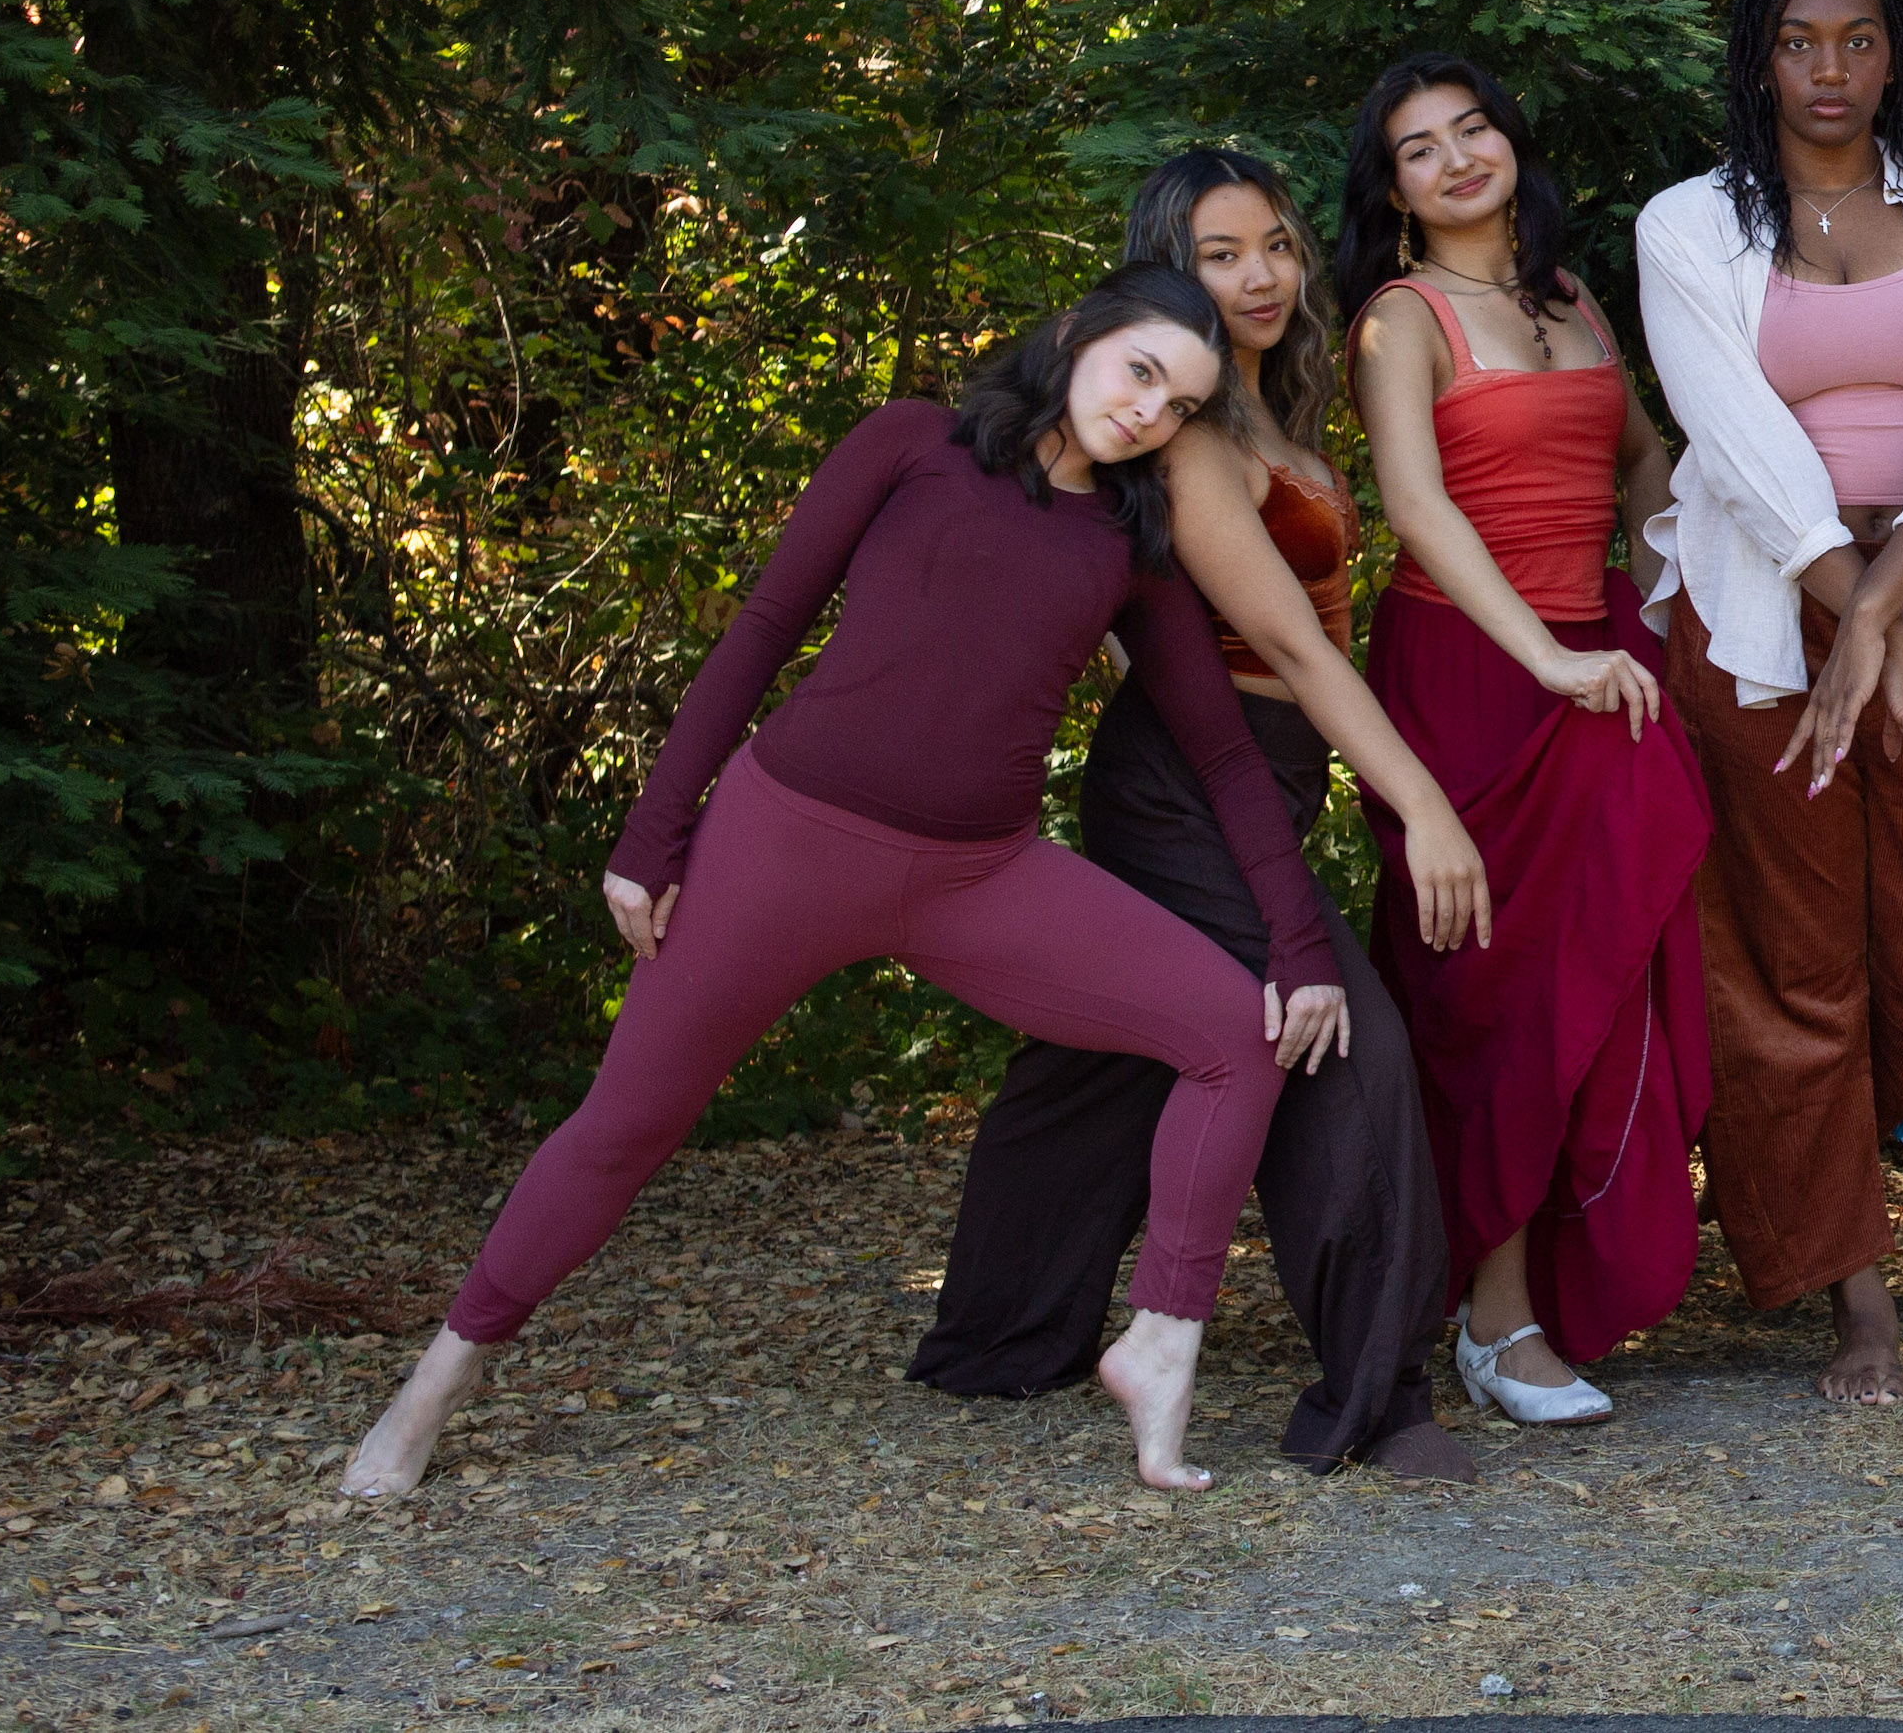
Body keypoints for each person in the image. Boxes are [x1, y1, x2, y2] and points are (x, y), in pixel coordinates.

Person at [339, 270, 1347, 1499]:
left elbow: (1226, 752)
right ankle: (437, 1381)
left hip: (979, 873)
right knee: (622, 1127)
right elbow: (765, 624)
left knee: (1234, 1034)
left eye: (1181, 403)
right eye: (1141, 370)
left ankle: (1160, 1346)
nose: (1149, 411)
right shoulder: (911, 443)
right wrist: (653, 830)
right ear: (1075, 333)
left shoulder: (1134, 543)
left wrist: (1299, 942)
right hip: (785, 845)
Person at [911, 150, 1495, 1483]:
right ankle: (1382, 1396)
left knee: (1116, 1052)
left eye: (1276, 244)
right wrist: (1421, 803)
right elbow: (1286, 644)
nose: (1261, 276)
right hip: (1187, 781)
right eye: (1221, 255)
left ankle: (1000, 1329)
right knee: (1341, 1042)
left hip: (1254, 774)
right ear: (1170, 270)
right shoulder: (1183, 438)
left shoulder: (1271, 418)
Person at [1635, 0, 1903, 1405]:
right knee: (1793, 963)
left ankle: (1794, 1157)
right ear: (1761, 59)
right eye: (1799, 40)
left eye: (1857, 39)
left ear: (1893, 55)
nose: (1829, 68)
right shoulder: (1690, 224)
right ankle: (1854, 1293)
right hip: (1758, 629)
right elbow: (1732, 435)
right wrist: (1851, 610)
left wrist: (1886, 612)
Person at [1346, 52, 1708, 1427]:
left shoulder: (1570, 295)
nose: (1455, 159)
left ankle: (1567, 1283)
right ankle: (1493, 1323)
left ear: (1510, 143)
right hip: (1469, 675)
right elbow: (1417, 506)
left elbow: (1644, 455)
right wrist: (1550, 654)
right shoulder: (1402, 319)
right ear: (1394, 191)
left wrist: (1651, 610)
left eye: (1472, 129)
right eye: (1419, 147)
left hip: (1595, 661)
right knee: (1490, 993)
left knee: (1603, 970)